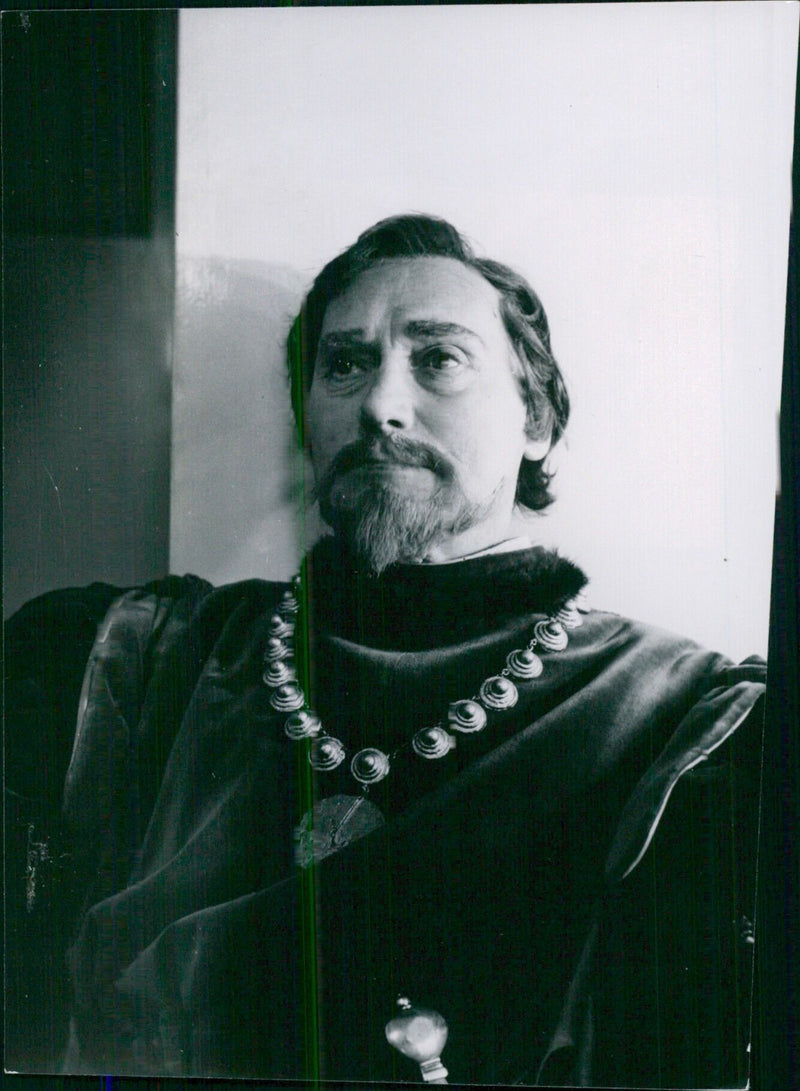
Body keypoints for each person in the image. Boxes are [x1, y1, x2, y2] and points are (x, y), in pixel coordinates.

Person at [5, 214, 766, 1087]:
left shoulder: (683, 722)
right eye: (345, 364)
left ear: (537, 423)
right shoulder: (144, 657)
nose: (380, 404)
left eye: (438, 359)